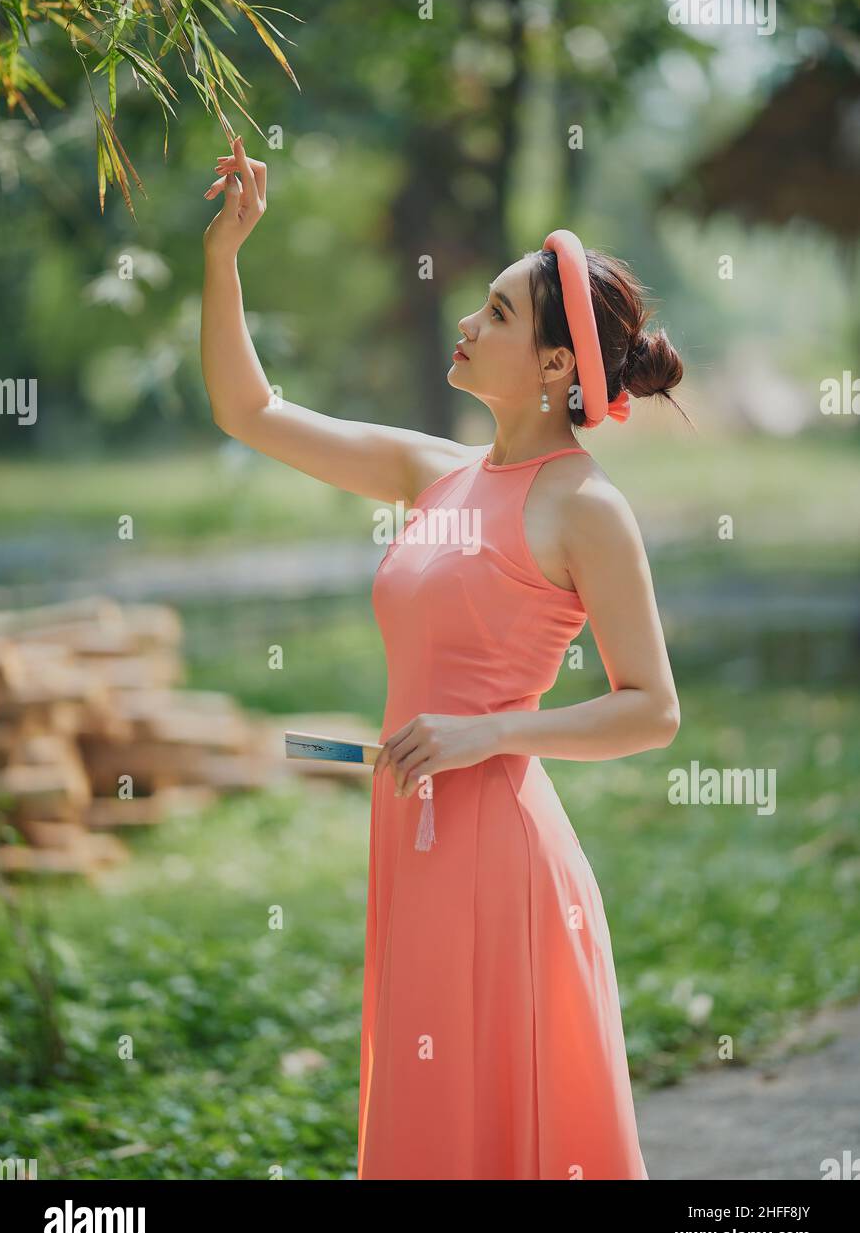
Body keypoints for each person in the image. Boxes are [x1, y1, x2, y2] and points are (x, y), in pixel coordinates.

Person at [201, 137, 684, 1180]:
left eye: (498, 314)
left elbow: (651, 709)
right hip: (409, 835)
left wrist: (490, 731)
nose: (465, 323)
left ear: (557, 365)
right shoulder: (436, 472)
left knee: (500, 1115)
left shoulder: (586, 507)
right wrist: (226, 254)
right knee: (426, 1107)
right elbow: (250, 411)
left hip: (500, 853)